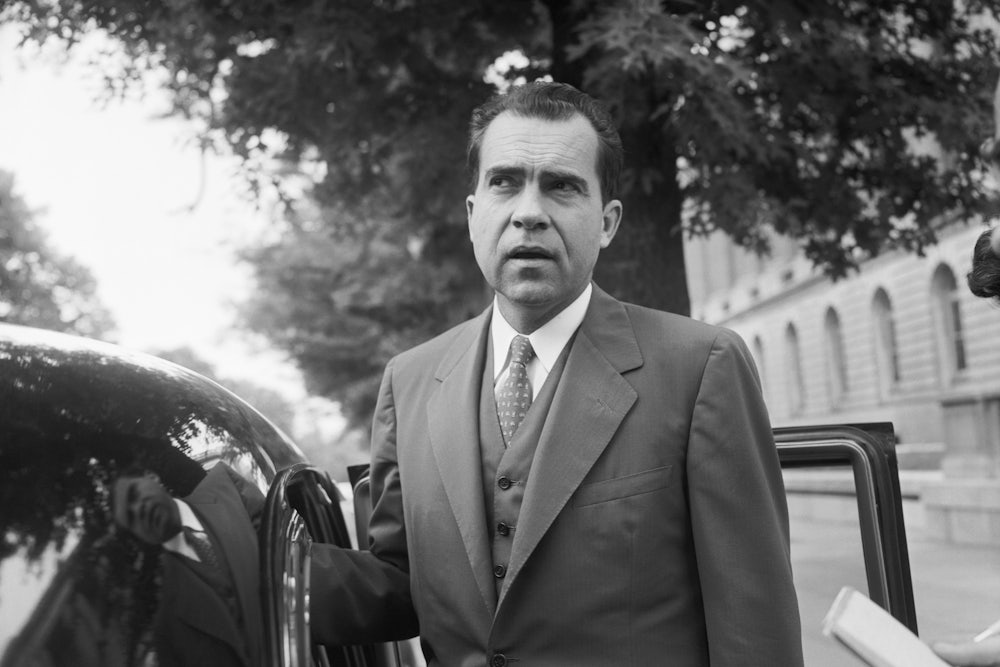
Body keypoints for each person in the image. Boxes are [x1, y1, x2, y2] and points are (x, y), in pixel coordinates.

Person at [310, 81, 803, 666]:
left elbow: (754, 627)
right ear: (473, 215)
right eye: (504, 182)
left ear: (607, 222)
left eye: (562, 187)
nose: (529, 213)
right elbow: (398, 586)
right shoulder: (409, 381)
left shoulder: (701, 367)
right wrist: (232, 556)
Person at [111, 462, 266, 667]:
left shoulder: (226, 485)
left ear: (151, 477)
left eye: (134, 494)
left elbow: (296, 548)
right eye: (131, 517)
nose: (139, 508)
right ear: (139, 536)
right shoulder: (168, 628)